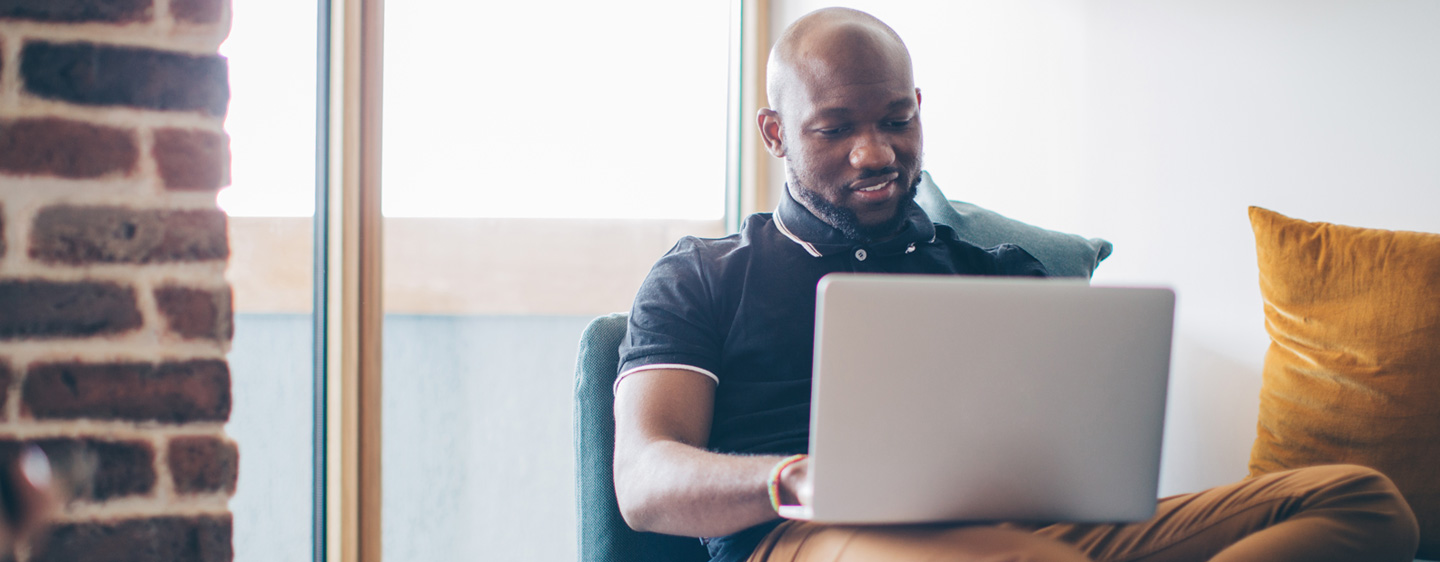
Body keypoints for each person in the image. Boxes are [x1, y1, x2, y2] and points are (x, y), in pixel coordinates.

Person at [612, 7, 1420, 562]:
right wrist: (794, 477)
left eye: (897, 120)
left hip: (1032, 528)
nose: (876, 153)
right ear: (775, 132)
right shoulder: (704, 275)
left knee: (1363, 500)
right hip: (809, 536)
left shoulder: (990, 270)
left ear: (919, 107)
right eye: (836, 129)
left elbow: (1080, 448)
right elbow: (645, 483)